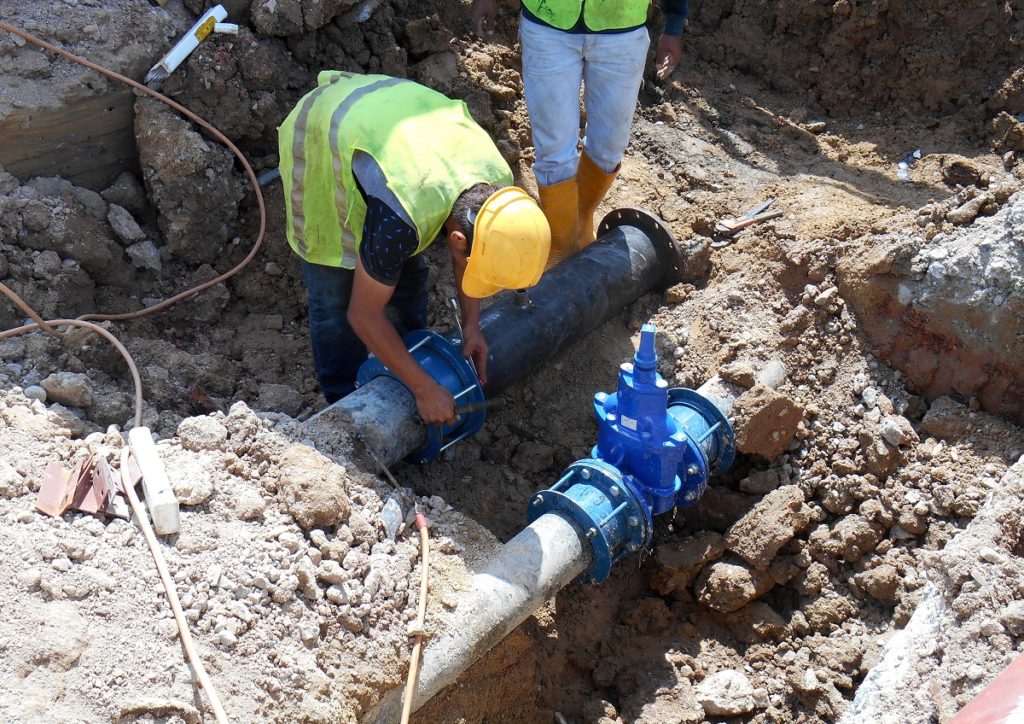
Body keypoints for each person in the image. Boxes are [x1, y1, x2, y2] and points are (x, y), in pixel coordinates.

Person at [278, 71, 551, 425]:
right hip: (323, 132)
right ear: (458, 240)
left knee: (403, 274)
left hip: (391, 127)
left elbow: (470, 257)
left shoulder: (496, 185)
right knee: (335, 294)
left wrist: (472, 326)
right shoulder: (401, 216)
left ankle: (406, 365)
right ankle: (343, 408)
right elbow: (362, 315)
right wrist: (424, 389)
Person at [470, 0, 688, 265]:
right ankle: (561, 247)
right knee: (553, 151)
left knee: (610, 146)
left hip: (621, 28)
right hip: (549, 24)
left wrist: (674, 23)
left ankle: (581, 221)